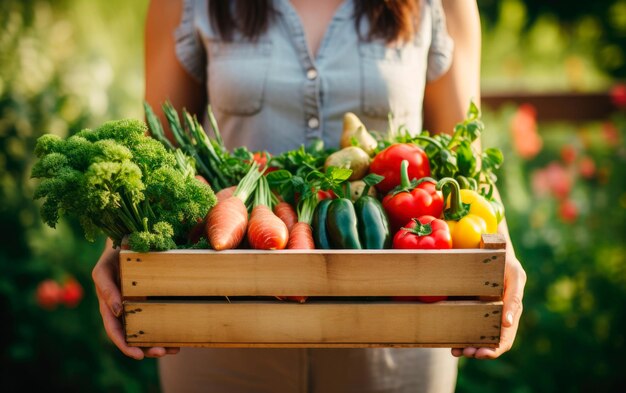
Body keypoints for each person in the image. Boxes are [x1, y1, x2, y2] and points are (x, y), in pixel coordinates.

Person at [91, 0, 527, 392]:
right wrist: (121, 242)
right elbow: (159, 151)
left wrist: (498, 250)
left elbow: (464, 159)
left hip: (395, 334)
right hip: (225, 329)